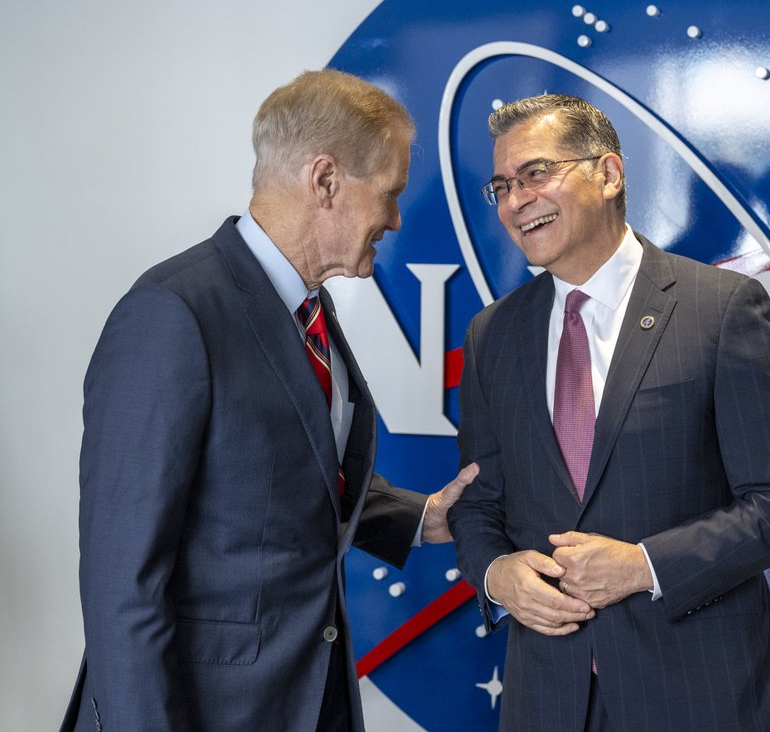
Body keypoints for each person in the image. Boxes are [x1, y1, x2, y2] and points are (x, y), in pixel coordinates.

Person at [62, 69, 478, 732]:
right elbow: (122, 584)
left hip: (308, 699)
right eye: (391, 193)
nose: (397, 218)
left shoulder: (309, 309)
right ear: (326, 179)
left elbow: (286, 475)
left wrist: (419, 515)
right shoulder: (171, 313)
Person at [448, 94, 770, 732]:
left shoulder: (722, 309)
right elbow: (478, 502)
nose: (516, 200)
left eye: (537, 173)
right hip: (549, 701)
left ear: (610, 173)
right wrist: (493, 573)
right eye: (503, 185)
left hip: (704, 695)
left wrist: (642, 565)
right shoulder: (493, 334)